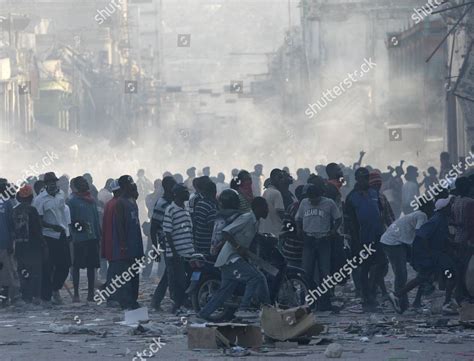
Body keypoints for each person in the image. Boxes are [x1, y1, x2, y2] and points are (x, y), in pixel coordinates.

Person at [198, 197, 271, 320]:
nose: (268, 210)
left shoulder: (256, 222)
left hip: (231, 259)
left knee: (224, 292)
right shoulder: (247, 218)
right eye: (266, 207)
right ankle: (244, 309)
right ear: (258, 208)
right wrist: (237, 247)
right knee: (256, 277)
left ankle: (203, 314)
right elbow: (226, 232)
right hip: (231, 258)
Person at [388, 197, 458, 314]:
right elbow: (422, 236)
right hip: (435, 255)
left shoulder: (442, 219)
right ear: (443, 209)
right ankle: (447, 303)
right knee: (452, 274)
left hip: (435, 254)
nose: (451, 208)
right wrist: (428, 253)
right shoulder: (436, 220)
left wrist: (454, 244)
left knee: (423, 277)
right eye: (449, 206)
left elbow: (442, 237)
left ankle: (396, 295)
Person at [344, 167, 386, 311]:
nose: (364, 180)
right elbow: (348, 220)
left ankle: (372, 290)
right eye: (361, 177)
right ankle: (366, 296)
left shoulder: (374, 193)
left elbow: (381, 212)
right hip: (361, 239)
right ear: (357, 179)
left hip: (378, 236)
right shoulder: (351, 197)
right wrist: (353, 238)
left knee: (381, 264)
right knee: (364, 267)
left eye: (366, 177)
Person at [381, 200, 433, 311]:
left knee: (407, 272)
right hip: (393, 242)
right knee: (401, 273)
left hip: (397, 241)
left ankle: (403, 300)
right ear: (427, 207)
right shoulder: (422, 215)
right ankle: (399, 300)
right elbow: (420, 235)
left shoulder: (417, 214)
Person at [297, 181, 341, 311]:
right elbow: (298, 218)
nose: (313, 201)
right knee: (306, 272)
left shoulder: (329, 203)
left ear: (320, 195)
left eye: (315, 199)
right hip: (309, 239)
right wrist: (300, 231)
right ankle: (306, 301)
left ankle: (324, 302)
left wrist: (333, 232)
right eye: (311, 199)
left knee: (324, 272)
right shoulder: (304, 203)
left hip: (323, 240)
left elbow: (338, 219)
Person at [33, 172, 71, 304]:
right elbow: (38, 220)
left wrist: (66, 229)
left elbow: (63, 213)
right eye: (50, 182)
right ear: (45, 184)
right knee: (48, 266)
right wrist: (52, 227)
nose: (53, 184)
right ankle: (47, 296)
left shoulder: (61, 194)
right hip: (48, 236)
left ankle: (56, 288)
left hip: (61, 234)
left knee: (65, 265)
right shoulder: (40, 200)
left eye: (54, 181)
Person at [112, 175, 144, 309]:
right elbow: (119, 224)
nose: (132, 185)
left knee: (135, 272)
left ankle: (133, 299)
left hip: (136, 241)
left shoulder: (132, 200)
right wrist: (123, 244)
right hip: (127, 243)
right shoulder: (120, 202)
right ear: (124, 186)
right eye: (130, 184)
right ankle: (126, 301)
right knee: (126, 273)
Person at [68, 176, 101, 302]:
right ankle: (76, 294)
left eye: (85, 183)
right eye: (81, 183)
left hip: (92, 238)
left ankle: (90, 294)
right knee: (76, 266)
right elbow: (70, 221)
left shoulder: (91, 200)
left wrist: (98, 235)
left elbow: (95, 219)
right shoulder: (72, 202)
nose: (84, 185)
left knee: (91, 267)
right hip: (78, 239)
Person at [163, 184, 195, 314]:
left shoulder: (186, 209)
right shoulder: (170, 209)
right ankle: (176, 305)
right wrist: (174, 252)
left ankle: (184, 303)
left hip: (188, 252)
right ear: (177, 194)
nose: (187, 194)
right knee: (177, 281)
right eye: (185, 192)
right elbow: (167, 233)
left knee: (187, 280)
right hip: (177, 254)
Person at [12, 185, 44, 304]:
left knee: (23, 271)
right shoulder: (32, 210)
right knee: (36, 272)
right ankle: (36, 296)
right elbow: (37, 230)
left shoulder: (15, 210)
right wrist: (43, 244)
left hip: (19, 246)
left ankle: (26, 296)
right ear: (31, 197)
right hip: (33, 246)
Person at [150, 176, 177, 311]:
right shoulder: (161, 204)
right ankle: (174, 302)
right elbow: (153, 227)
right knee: (171, 273)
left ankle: (157, 300)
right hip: (167, 242)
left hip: (176, 242)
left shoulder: (172, 202)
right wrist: (155, 248)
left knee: (170, 272)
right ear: (168, 187)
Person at [450, 177, 474, 303]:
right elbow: (471, 224)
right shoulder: (470, 202)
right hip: (468, 239)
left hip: (458, 238)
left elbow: (454, 220)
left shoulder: (456, 201)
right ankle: (466, 293)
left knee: (460, 268)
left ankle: (459, 293)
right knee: (467, 268)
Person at [100, 179, 122, 307]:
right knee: (116, 270)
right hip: (117, 243)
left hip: (110, 242)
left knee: (113, 269)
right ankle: (112, 296)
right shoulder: (117, 204)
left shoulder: (110, 203)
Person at [0, 179, 21, 305]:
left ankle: (4, 299)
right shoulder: (7, 203)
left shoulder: (8, 203)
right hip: (4, 243)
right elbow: (11, 225)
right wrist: (11, 243)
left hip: (4, 243)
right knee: (5, 273)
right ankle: (5, 299)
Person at [193, 181, 218, 255]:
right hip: (208, 244)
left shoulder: (199, 203)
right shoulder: (211, 206)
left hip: (199, 242)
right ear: (214, 192)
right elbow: (212, 227)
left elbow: (195, 222)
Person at [259, 169, 285, 237]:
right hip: (275, 231)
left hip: (265, 230)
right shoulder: (277, 193)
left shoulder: (266, 192)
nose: (281, 180)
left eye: (282, 178)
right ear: (272, 179)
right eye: (279, 177)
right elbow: (280, 213)